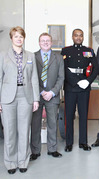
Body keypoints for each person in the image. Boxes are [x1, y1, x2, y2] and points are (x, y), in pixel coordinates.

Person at [0, 26, 40, 174]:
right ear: (11, 38)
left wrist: (36, 99)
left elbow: (34, 79)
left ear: (24, 38)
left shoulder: (30, 56)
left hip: (25, 97)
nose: (19, 39)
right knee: (10, 131)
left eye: (21, 36)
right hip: (7, 97)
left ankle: (23, 161)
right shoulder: (2, 55)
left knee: (24, 130)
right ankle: (11, 162)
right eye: (16, 36)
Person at [61, 29, 99, 152]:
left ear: (83, 37)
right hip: (70, 87)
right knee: (69, 115)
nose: (78, 37)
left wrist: (88, 81)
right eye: (76, 35)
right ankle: (69, 143)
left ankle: (83, 142)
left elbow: (96, 68)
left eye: (80, 36)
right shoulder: (66, 50)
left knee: (83, 115)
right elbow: (64, 68)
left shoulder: (89, 51)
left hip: (84, 86)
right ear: (72, 37)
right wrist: (75, 82)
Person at [30, 33, 64, 161]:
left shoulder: (59, 58)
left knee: (52, 123)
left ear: (51, 42)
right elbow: (30, 77)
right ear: (39, 42)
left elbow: (61, 77)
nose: (45, 42)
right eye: (43, 41)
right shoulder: (33, 56)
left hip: (52, 96)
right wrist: (41, 91)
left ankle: (52, 149)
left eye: (48, 40)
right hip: (36, 96)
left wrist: (52, 92)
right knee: (35, 124)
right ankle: (35, 150)